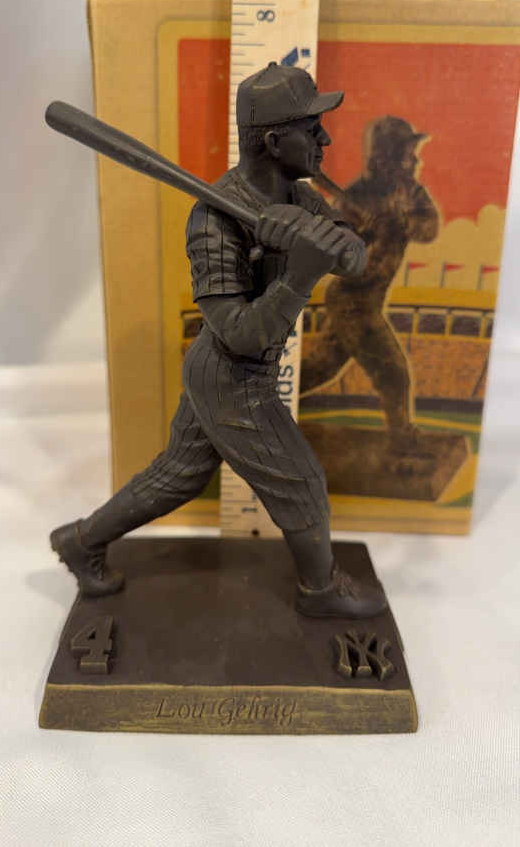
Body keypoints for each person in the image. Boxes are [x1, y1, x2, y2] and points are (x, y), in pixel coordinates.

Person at [51, 62, 386, 619]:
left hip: (229, 370)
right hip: (232, 373)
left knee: (176, 477)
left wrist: (323, 239)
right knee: (302, 481)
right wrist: (299, 274)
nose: (325, 139)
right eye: (311, 128)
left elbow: (354, 255)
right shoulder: (213, 221)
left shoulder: (300, 197)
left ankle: (80, 541)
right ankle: (320, 590)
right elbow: (239, 334)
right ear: (274, 141)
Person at [301, 116, 440, 451]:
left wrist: (400, 220)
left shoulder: (410, 191)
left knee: (320, 369)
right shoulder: (355, 197)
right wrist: (362, 238)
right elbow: (333, 258)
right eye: (408, 153)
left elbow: (430, 227)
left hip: (369, 301)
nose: (415, 160)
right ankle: (403, 441)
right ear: (387, 157)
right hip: (352, 300)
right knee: (394, 372)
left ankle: (257, 396)